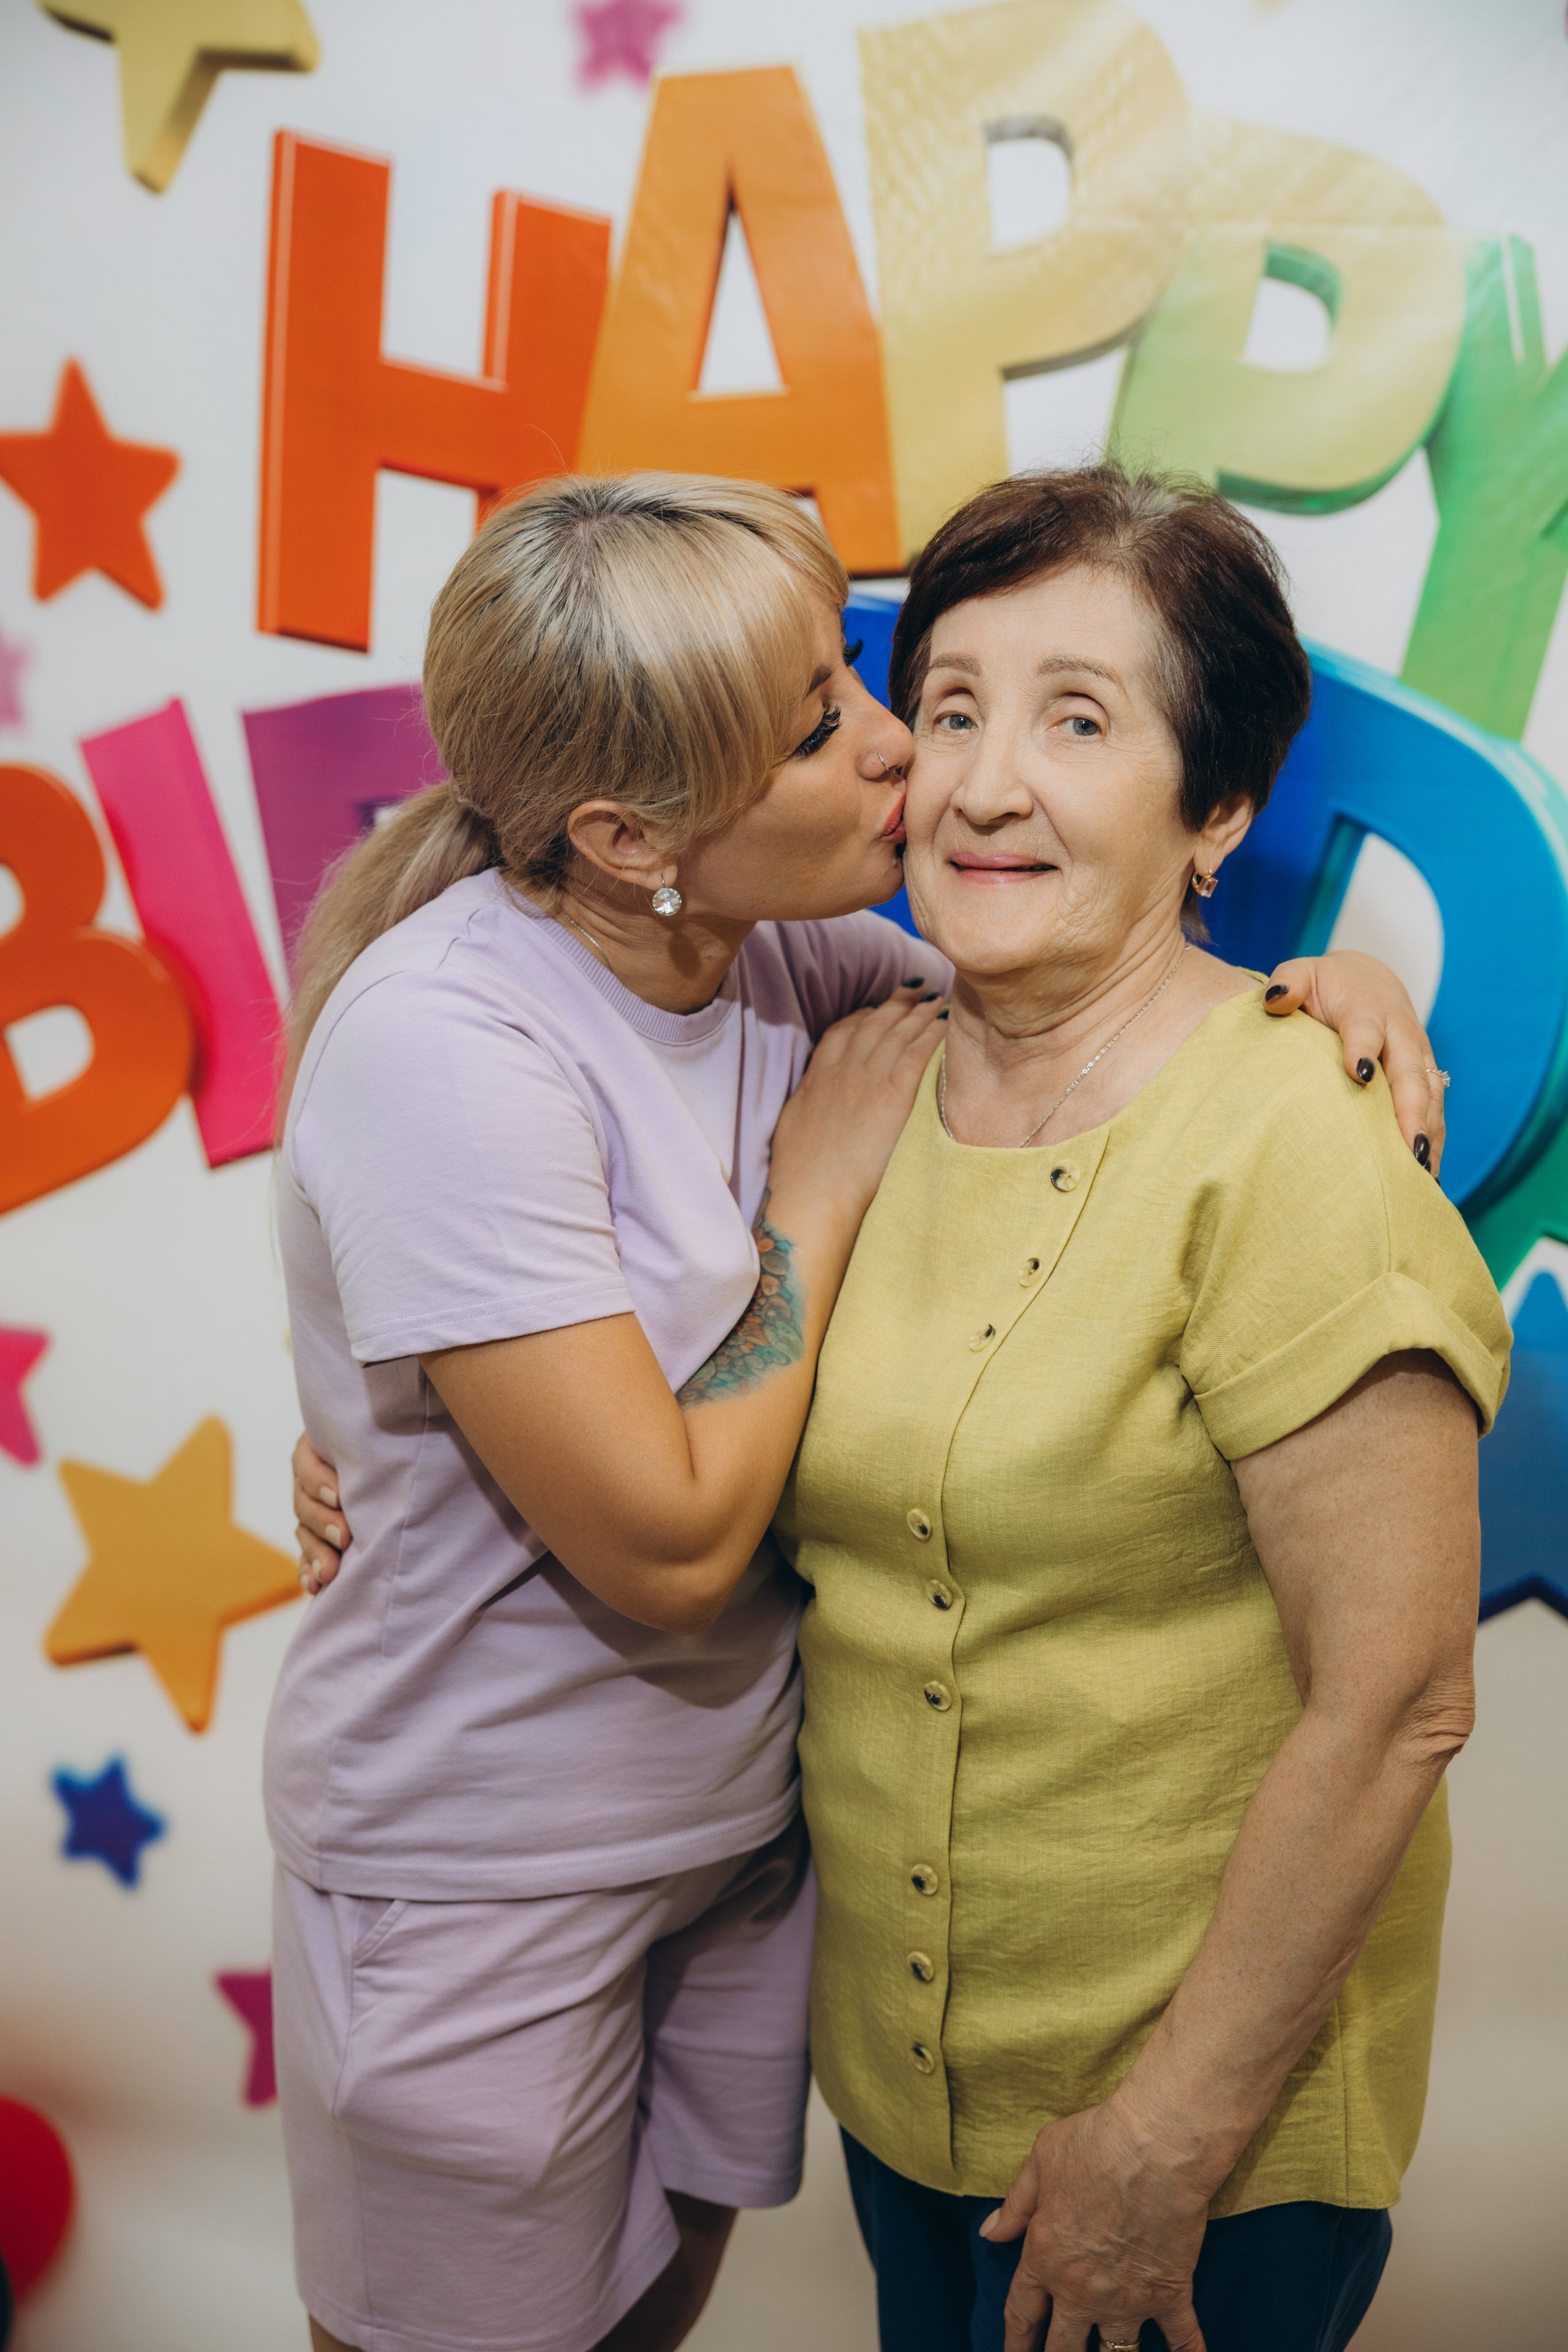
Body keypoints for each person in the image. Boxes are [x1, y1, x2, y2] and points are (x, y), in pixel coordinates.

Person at [282, 468, 1445, 2352]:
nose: (916, 756)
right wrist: (804, 1211)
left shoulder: (799, 952)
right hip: (496, 1869)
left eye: (858, 674)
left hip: (740, 1858)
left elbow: (1119, 999)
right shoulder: (458, 1043)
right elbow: (657, 1531)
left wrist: (1341, 988)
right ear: (632, 832)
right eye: (839, 721)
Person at [780, 466, 1509, 2352]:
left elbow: (1403, 1696)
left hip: (1195, 2146)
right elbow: (686, 1427)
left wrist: (1165, 2145)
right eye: (948, 707)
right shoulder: (852, 1077)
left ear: (1221, 809)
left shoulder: (1294, 1132)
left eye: (1077, 719)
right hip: (908, 2097)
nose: (983, 780)